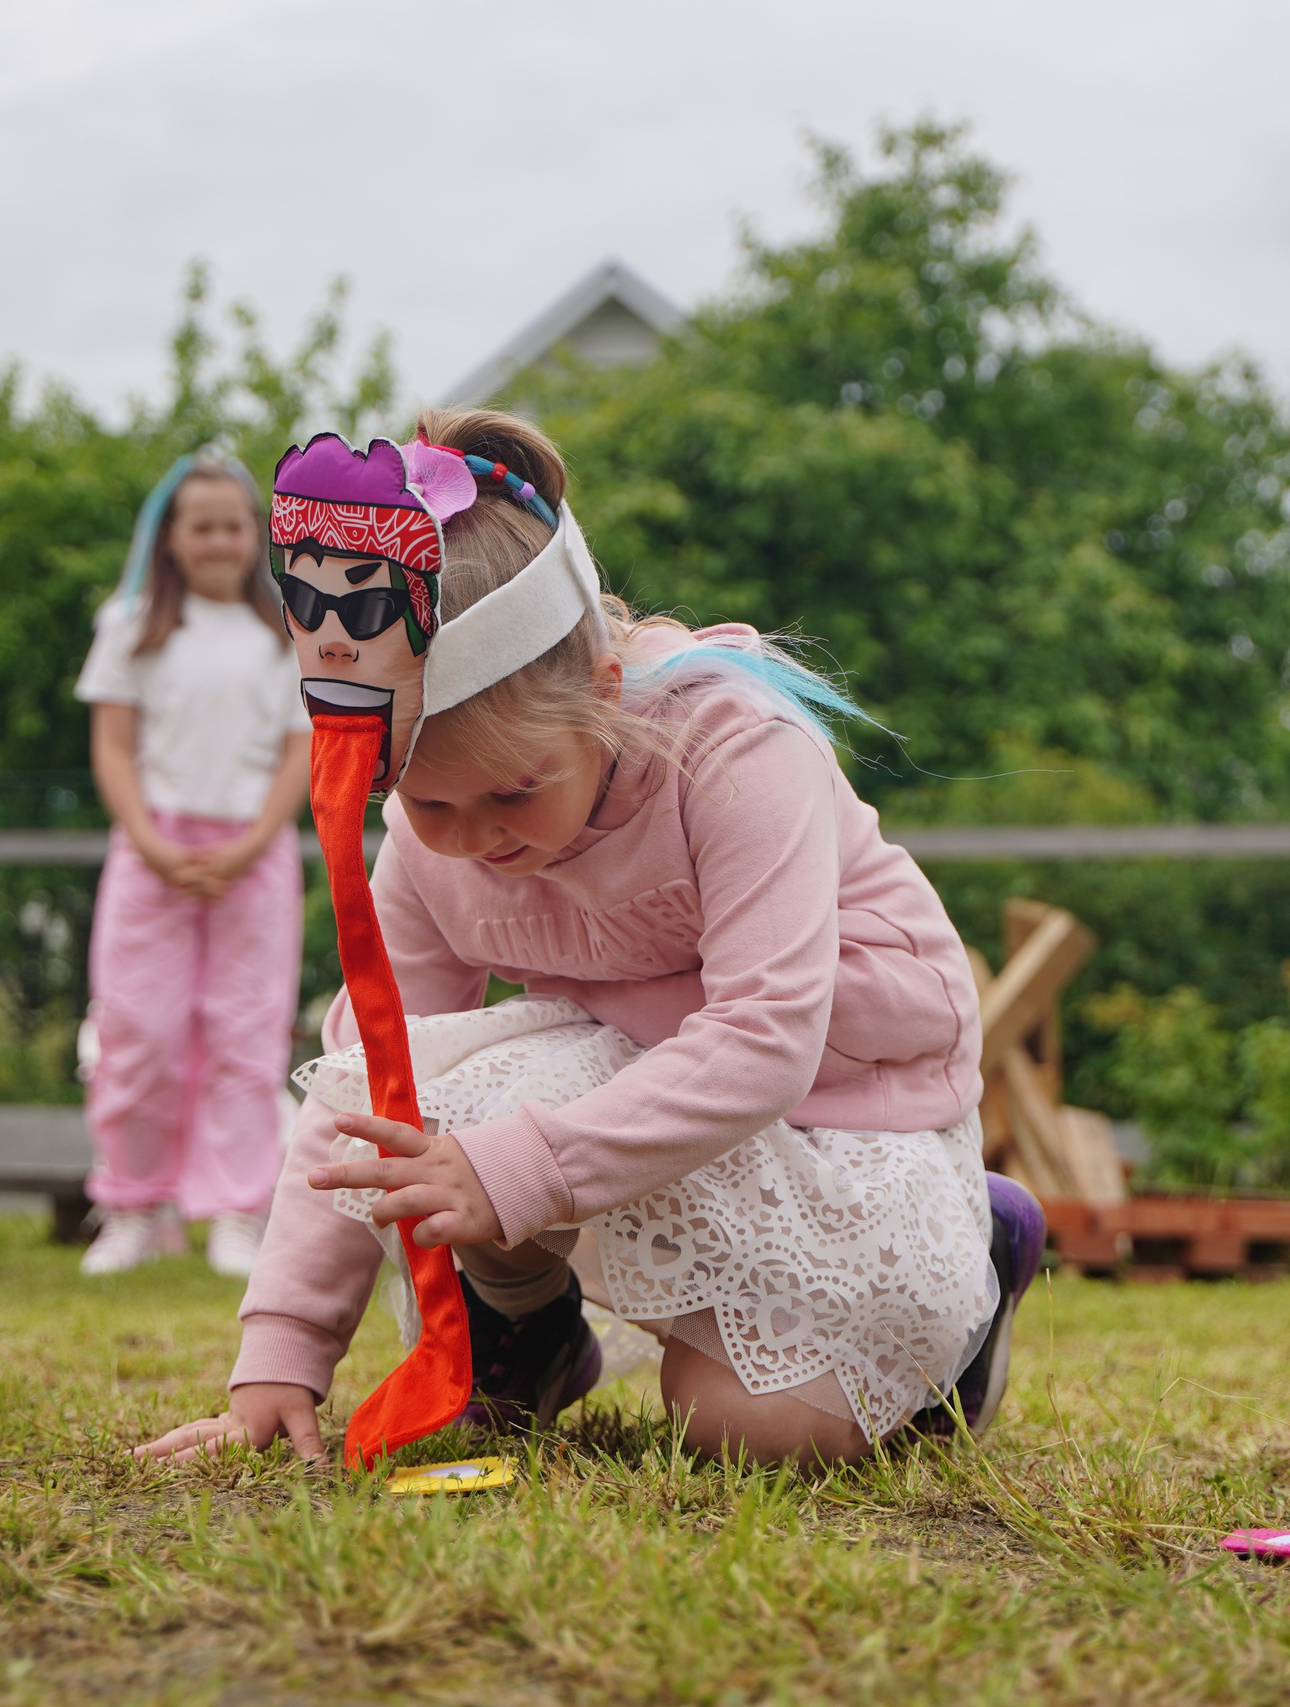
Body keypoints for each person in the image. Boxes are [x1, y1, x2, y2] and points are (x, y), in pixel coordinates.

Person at [134, 409, 1043, 1466]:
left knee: (739, 1436)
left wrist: (515, 1171)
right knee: (427, 1097)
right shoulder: (424, 838)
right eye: (430, 804)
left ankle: (973, 1270)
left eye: (513, 792)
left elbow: (762, 1039)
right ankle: (523, 1334)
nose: (472, 841)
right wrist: (279, 1358)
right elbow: (365, 1085)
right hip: (643, 1084)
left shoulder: (735, 751)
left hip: (844, 1107)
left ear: (602, 695)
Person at [72, 450, 310, 1278]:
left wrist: (246, 845)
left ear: (257, 533)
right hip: (152, 851)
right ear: (171, 535)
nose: (217, 540)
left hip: (255, 852)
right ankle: (132, 1205)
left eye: (233, 525)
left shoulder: (290, 629)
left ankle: (238, 1212)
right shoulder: (130, 623)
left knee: (246, 1032)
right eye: (199, 525)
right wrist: (152, 841)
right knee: (139, 1028)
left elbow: (298, 752)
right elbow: (112, 744)